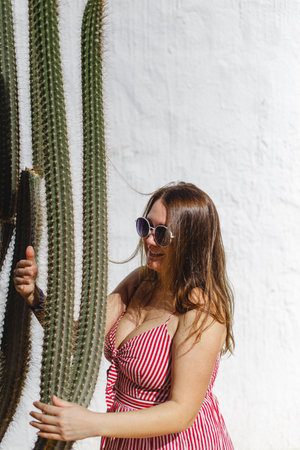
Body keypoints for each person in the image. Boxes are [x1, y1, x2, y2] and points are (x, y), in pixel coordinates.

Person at [14, 182, 234, 449]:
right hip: (125, 441)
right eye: (145, 226)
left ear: (191, 242)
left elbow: (182, 412)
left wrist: (91, 423)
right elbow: (77, 340)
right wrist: (34, 296)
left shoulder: (201, 309)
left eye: (162, 234)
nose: (149, 239)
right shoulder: (141, 282)